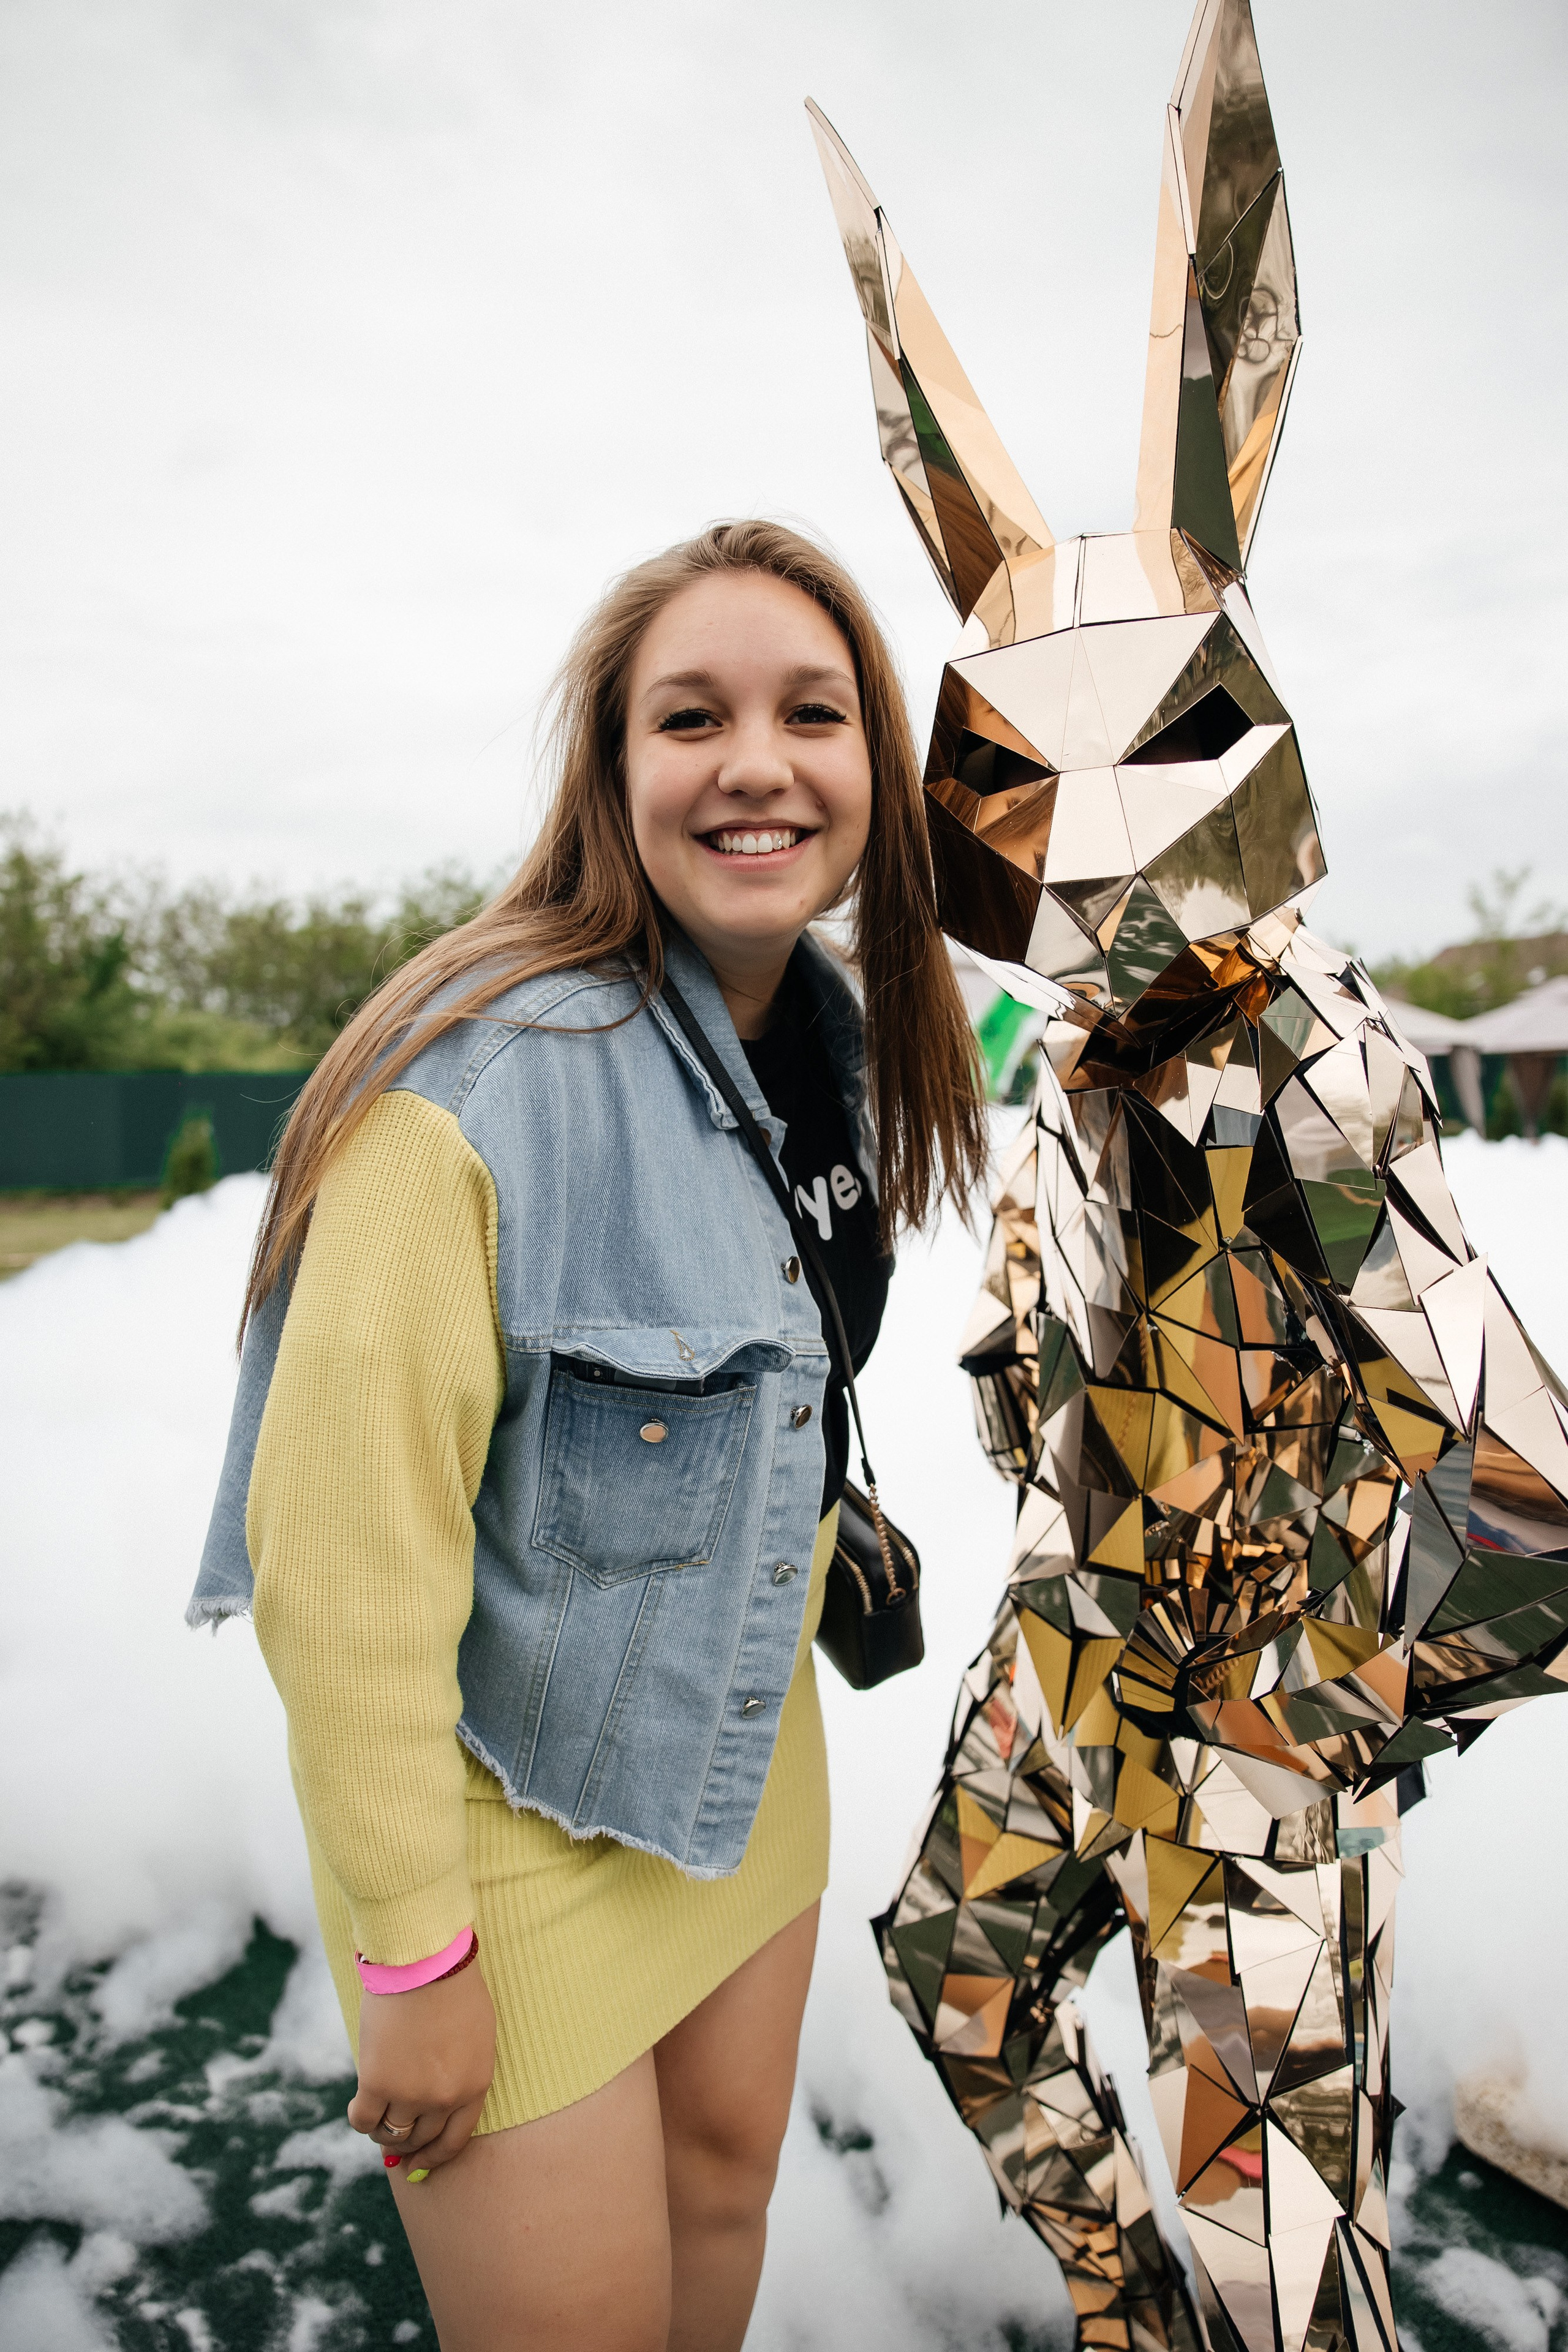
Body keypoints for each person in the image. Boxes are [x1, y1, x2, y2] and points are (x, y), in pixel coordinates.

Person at [189, 519, 987, 2352]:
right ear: (615, 773)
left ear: (877, 764)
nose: (759, 764)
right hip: (509, 1821)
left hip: (746, 1762)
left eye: (815, 713)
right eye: (690, 717)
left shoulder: (838, 1040)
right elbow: (343, 1572)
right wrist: (413, 1956)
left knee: (724, 2211)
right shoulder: (476, 1083)